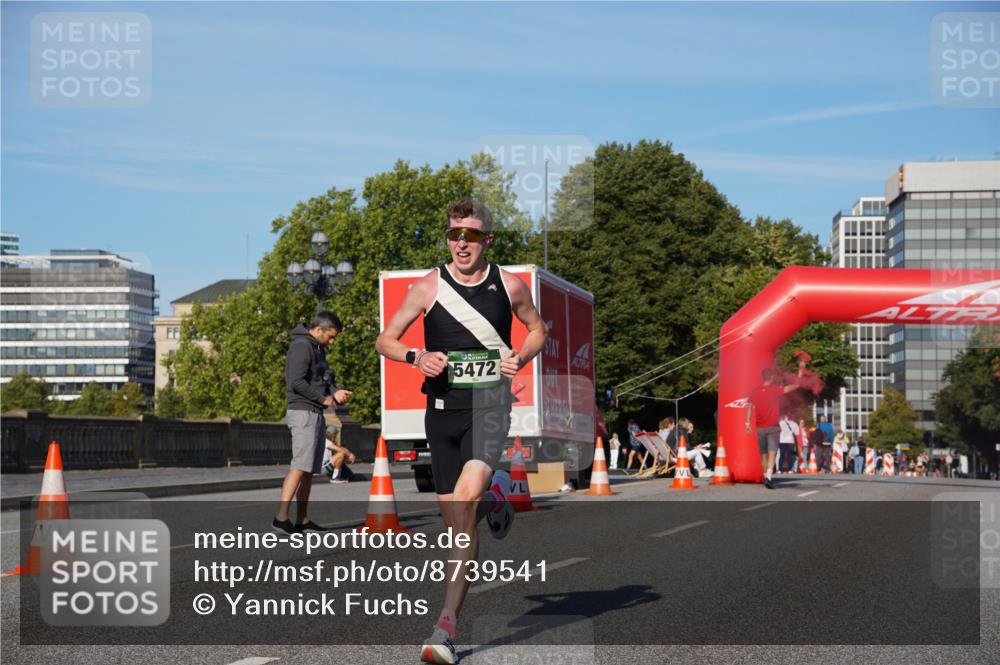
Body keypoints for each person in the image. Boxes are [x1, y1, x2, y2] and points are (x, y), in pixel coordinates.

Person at [374, 197, 548, 665]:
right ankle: (497, 499)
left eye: (470, 235)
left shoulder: (508, 285)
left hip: (489, 407)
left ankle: (445, 628)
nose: (462, 244)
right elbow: (385, 340)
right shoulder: (428, 286)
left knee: (465, 501)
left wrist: (520, 356)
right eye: (454, 235)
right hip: (441, 412)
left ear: (487, 239)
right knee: (457, 523)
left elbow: (538, 329)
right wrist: (416, 357)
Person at [273, 312, 352, 534]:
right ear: (319, 330)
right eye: (331, 336)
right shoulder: (301, 346)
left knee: (307, 470)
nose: (332, 341)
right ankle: (281, 518)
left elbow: (324, 379)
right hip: (303, 412)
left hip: (315, 412)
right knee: (300, 466)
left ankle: (303, 519)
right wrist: (324, 399)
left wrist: (335, 392)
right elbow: (295, 382)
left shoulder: (318, 348)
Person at [746, 366, 802, 489]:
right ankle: (769, 477)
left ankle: (765, 476)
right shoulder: (775, 390)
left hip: (759, 427)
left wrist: (747, 423)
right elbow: (796, 385)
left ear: (762, 377)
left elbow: (749, 406)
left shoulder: (755, 391)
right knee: (772, 453)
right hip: (773, 427)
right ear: (771, 377)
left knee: (763, 455)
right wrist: (801, 369)